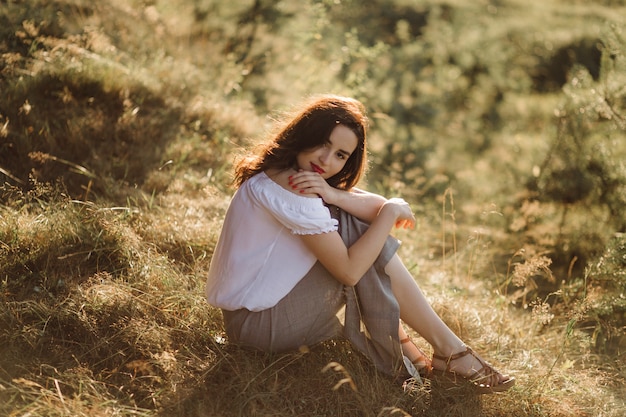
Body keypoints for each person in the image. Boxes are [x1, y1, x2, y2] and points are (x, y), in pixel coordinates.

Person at [205, 94, 515, 393]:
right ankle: (446, 352)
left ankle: (433, 353)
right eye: (322, 144)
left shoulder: (285, 171)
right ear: (304, 134)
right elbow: (352, 270)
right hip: (258, 327)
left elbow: (375, 207)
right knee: (366, 243)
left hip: (248, 318)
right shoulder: (295, 186)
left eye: (340, 155)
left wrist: (336, 196)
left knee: (361, 228)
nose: (327, 160)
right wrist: (392, 210)